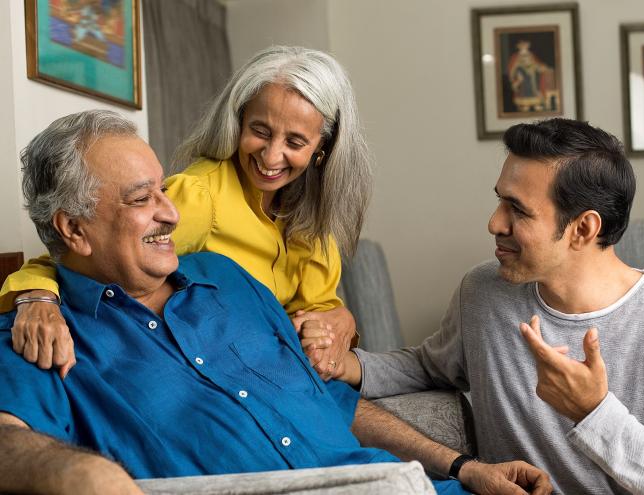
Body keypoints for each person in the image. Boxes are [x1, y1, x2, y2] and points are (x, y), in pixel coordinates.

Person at [0, 111, 552, 495]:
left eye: (163, 190)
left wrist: (464, 466)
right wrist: (86, 477)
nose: (170, 213)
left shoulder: (225, 278)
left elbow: (332, 401)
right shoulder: (38, 335)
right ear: (73, 229)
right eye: (143, 199)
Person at [333, 118, 644, 493]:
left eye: (517, 209)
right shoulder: (483, 292)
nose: (495, 223)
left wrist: (595, 413)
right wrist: (348, 365)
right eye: (500, 200)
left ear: (583, 228)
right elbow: (428, 367)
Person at [0, 46, 367, 380]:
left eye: (295, 142)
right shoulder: (199, 195)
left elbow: (322, 308)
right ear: (238, 122)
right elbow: (81, 251)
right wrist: (36, 297)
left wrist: (343, 321)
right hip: (214, 377)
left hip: (286, 377)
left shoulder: (314, 216)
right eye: (259, 130)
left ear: (323, 149)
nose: (270, 157)